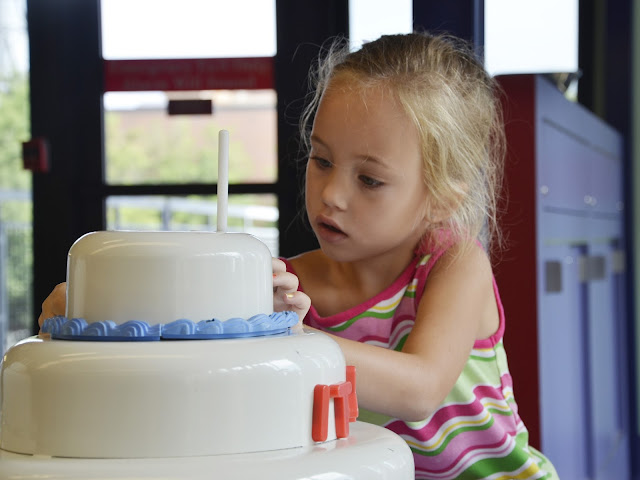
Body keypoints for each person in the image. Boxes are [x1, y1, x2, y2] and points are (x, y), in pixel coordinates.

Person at [39, 31, 558, 479]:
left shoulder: (453, 263)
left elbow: (419, 388)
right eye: (322, 160)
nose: (332, 194)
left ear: (444, 196)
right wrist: (99, 305)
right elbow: (197, 338)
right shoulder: (287, 289)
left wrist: (281, 337)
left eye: (369, 179)